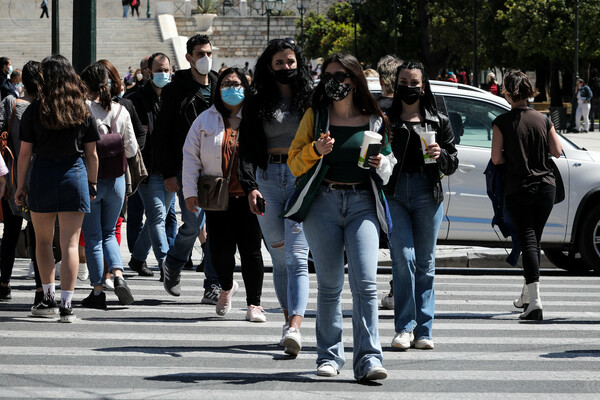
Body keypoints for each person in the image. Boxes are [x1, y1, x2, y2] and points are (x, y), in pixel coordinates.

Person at [287, 52, 395, 381]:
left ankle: (369, 359)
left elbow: (390, 166)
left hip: (363, 202)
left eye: (343, 75)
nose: (336, 82)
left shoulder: (374, 118)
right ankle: (330, 356)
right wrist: (315, 151)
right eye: (330, 76)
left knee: (365, 283)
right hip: (323, 202)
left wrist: (382, 165)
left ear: (355, 79)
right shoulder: (316, 116)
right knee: (331, 285)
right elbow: (294, 162)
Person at [239, 37, 312, 355]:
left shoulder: (311, 97)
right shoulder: (256, 101)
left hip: (300, 178)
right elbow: (245, 146)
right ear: (269, 66)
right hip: (267, 179)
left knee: (298, 258)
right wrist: (250, 185)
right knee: (280, 260)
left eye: (291, 62)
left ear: (299, 63)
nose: (286, 67)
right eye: (279, 62)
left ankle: (295, 326)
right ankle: (287, 322)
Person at [15, 54, 99, 322]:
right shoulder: (82, 109)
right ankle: (67, 304)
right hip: (74, 174)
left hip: (42, 176)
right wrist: (93, 183)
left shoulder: (34, 110)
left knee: (42, 241)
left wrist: (20, 185)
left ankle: (47, 299)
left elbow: (25, 154)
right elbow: (92, 154)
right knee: (70, 244)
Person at [386, 60, 458, 351]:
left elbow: (452, 162)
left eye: (414, 83)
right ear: (396, 85)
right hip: (395, 194)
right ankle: (404, 327)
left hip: (428, 193)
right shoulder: (386, 119)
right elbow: (369, 155)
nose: (409, 88)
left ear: (423, 86)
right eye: (404, 82)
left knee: (426, 264)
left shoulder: (437, 120)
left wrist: (440, 154)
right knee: (403, 259)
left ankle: (424, 330)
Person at [183, 67, 265, 322]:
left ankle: (254, 305)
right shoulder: (205, 120)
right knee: (220, 251)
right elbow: (190, 156)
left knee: (251, 251)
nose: (232, 88)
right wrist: (189, 192)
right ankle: (226, 288)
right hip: (217, 198)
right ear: (218, 90)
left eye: (236, 83)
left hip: (250, 196)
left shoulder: (255, 119)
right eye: (226, 84)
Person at [153, 34, 221, 299]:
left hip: (216, 169)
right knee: (193, 224)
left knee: (214, 226)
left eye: (209, 52)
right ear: (189, 57)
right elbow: (162, 134)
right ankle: (173, 262)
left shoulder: (217, 84)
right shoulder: (175, 88)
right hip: (187, 167)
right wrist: (169, 173)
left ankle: (212, 285)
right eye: (200, 53)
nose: (206, 57)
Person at [491, 70, 562, 321]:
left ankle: (536, 303)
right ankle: (527, 296)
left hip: (519, 187)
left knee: (529, 240)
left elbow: (496, 158)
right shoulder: (543, 119)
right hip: (546, 187)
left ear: (507, 93)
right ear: (529, 91)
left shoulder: (501, 122)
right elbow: (557, 150)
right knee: (533, 240)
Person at [79, 62, 138, 309]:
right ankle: (119, 275)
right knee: (109, 232)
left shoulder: (82, 110)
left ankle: (97, 291)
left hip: (89, 179)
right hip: (116, 180)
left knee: (92, 236)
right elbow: (132, 148)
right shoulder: (120, 110)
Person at [127, 52, 182, 282]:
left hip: (170, 168)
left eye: (166, 69)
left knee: (154, 218)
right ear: (148, 72)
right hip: (148, 170)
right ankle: (166, 265)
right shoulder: (135, 99)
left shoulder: (175, 97)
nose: (163, 74)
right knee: (157, 216)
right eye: (159, 70)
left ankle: (138, 258)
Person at [0, 61, 41, 302]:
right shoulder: (45, 108)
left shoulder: (10, 103)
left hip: (12, 177)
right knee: (39, 235)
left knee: (11, 232)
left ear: (23, 81)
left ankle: (4, 282)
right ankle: (40, 288)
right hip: (38, 179)